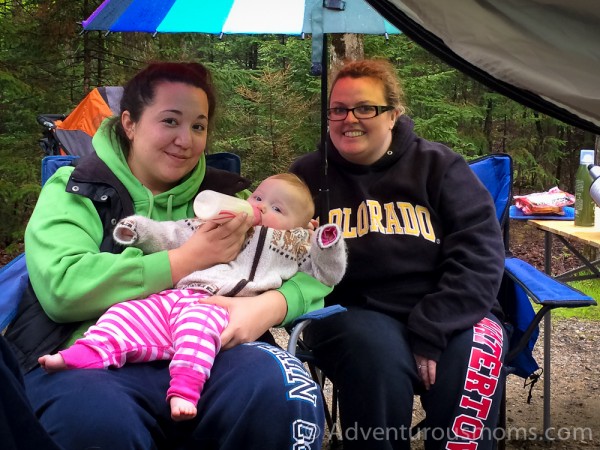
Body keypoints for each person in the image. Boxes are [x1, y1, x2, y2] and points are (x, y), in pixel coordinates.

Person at [5, 62, 331, 450]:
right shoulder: (76, 189)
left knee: (284, 392)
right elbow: (64, 288)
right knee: (96, 424)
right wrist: (187, 258)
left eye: (198, 126)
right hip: (92, 351)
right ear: (129, 123)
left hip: (211, 349)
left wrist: (271, 306)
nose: (185, 140)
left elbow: (309, 271)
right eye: (170, 121)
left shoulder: (234, 201)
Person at [290, 58, 507, 450]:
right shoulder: (307, 175)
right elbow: (275, 252)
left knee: (475, 351)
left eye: (365, 108)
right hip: (351, 314)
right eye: (337, 109)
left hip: (451, 310)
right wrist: (293, 241)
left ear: (393, 115)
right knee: (375, 357)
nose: (348, 119)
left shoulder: (439, 167)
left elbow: (481, 256)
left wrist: (433, 326)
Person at [39, 173, 347, 422]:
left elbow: (324, 275)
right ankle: (85, 353)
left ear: (300, 226)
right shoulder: (223, 223)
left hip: (220, 307)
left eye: (277, 209)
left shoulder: (293, 245)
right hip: (176, 295)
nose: (261, 208)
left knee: (196, 328)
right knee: (126, 312)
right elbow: (173, 233)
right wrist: (139, 230)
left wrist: (325, 242)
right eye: (258, 198)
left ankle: (185, 387)